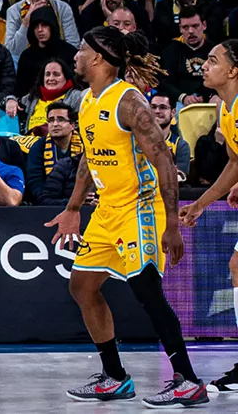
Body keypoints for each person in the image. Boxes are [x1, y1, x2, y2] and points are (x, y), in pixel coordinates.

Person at [46, 27, 206, 405]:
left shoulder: (129, 102)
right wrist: (72, 208)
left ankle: (188, 380)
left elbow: (164, 160)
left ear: (99, 57)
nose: (77, 54)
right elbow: (90, 156)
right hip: (107, 208)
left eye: (83, 48)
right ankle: (114, 376)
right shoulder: (86, 100)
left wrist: (170, 224)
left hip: (140, 206)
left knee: (147, 291)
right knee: (82, 286)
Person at [178, 40, 238, 393]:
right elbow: (234, 162)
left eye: (213, 61)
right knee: (236, 266)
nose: (205, 66)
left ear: (232, 70)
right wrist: (201, 204)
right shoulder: (226, 111)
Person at [4, 0, 79, 61]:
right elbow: (12, 51)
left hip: (57, 60)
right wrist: (27, 20)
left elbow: (73, 45)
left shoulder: (63, 8)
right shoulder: (13, 11)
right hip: (26, 61)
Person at [17, 59, 84, 135]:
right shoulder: (32, 97)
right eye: (47, 74)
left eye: (56, 74)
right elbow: (5, 103)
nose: (51, 78)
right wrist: (10, 100)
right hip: (29, 144)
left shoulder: (77, 97)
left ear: (66, 77)